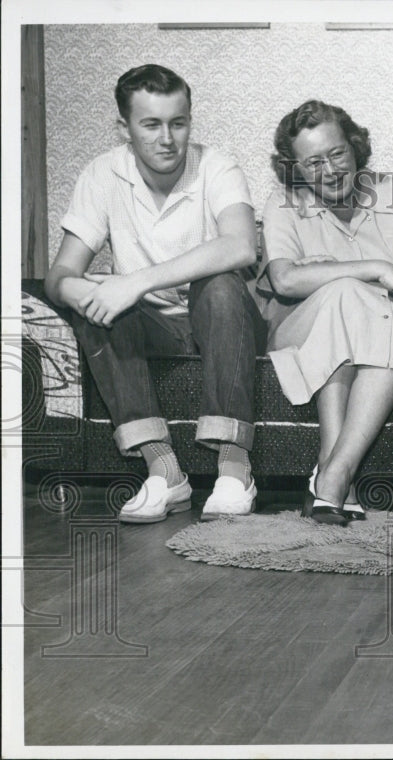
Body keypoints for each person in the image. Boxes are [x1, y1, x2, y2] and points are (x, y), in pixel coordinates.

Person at [44, 64, 264, 524]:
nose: (168, 138)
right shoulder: (102, 173)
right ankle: (164, 472)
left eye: (178, 123)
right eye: (151, 124)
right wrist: (82, 288)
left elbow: (241, 245)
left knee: (220, 282)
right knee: (93, 301)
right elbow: (59, 274)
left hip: (224, 322)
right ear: (123, 127)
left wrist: (137, 280)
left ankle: (234, 470)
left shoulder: (217, 165)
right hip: (154, 327)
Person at [259, 100, 393, 525]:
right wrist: (377, 268)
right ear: (294, 167)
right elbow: (285, 282)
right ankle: (336, 470)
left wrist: (330, 272)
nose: (329, 170)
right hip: (300, 330)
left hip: (385, 329)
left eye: (337, 154)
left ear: (355, 146)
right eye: (313, 163)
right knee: (347, 294)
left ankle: (332, 477)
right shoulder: (284, 202)